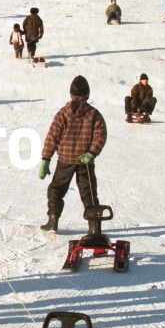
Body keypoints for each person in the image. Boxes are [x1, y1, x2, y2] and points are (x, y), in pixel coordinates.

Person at [38, 75, 107, 234]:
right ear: (87, 95)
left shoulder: (63, 113)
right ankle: (94, 227)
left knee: (56, 190)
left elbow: (52, 136)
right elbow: (100, 135)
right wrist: (91, 153)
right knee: (88, 192)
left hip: (65, 160)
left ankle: (53, 221)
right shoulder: (93, 114)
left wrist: (45, 160)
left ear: (71, 94)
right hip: (85, 161)